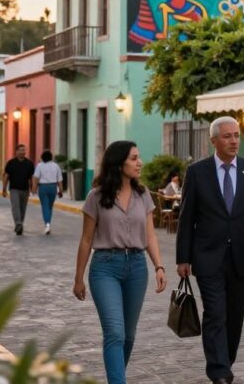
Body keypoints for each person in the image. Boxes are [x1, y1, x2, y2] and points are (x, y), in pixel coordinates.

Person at [176, 116, 244, 384]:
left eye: (236, 135)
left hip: (241, 257)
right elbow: (186, 218)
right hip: (208, 256)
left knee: (234, 317)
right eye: (227, 136)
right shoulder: (197, 173)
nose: (234, 141)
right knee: (215, 313)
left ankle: (225, 360)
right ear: (213, 141)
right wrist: (182, 258)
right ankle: (219, 372)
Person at [73, 140, 166, 384]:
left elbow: (150, 235)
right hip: (105, 267)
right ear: (118, 163)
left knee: (129, 335)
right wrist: (78, 279)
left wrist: (158, 265)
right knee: (115, 332)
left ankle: (116, 378)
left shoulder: (143, 194)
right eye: (134, 158)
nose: (140, 163)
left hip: (136, 267)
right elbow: (86, 240)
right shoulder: (96, 196)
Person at [2, 144, 35, 236]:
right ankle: (18, 224)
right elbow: (6, 176)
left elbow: (30, 178)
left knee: (22, 208)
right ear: (16, 152)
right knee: (16, 206)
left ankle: (20, 224)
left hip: (25, 189)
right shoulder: (11, 163)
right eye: (20, 150)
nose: (22, 152)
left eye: (24, 150)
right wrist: (4, 189)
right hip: (14, 189)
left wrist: (31, 188)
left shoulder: (29, 164)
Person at [32, 150, 64, 235]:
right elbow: (60, 179)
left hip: (43, 187)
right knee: (50, 206)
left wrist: (34, 188)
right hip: (53, 187)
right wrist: (60, 190)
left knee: (45, 206)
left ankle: (47, 224)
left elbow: (35, 178)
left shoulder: (39, 166)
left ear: (42, 157)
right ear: (51, 157)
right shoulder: (56, 166)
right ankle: (48, 223)